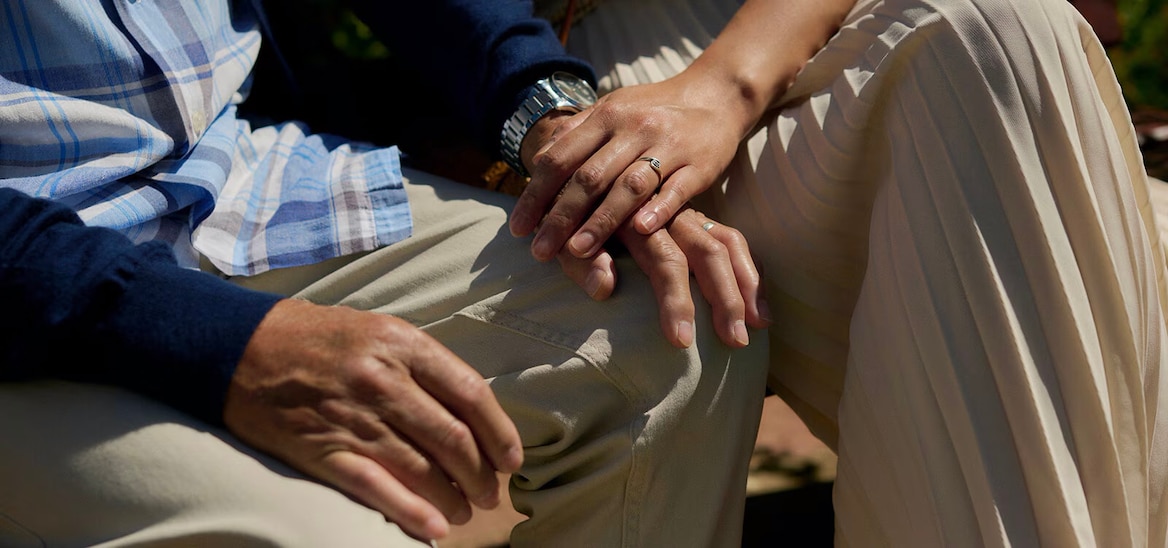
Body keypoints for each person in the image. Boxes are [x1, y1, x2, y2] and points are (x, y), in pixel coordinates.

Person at [0, 1, 774, 547]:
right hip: (31, 291)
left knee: (678, 330)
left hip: (237, 175)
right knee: (342, 534)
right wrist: (222, 343)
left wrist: (548, 117)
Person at [517, 0, 1168, 544]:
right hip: (594, 77)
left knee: (1005, 34)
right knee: (985, 43)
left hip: (802, 30)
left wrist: (728, 83)